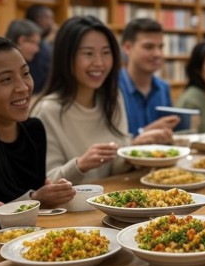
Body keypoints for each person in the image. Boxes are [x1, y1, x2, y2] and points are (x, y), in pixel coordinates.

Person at [31, 16, 172, 185]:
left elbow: (114, 168)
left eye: (106, 53)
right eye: (88, 53)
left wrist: (135, 149)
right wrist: (80, 165)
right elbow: (44, 183)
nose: (99, 63)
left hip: (112, 199)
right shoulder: (48, 110)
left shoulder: (113, 98)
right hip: (72, 208)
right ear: (66, 57)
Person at [0, 36, 75, 232]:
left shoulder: (34, 130)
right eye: (6, 79)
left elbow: (38, 210)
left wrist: (52, 194)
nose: (23, 87)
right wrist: (35, 200)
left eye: (25, 73)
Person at [119, 18, 184, 136]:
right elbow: (107, 140)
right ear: (128, 48)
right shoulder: (112, 87)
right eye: (149, 47)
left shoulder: (163, 88)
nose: (157, 54)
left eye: (160, 47)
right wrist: (144, 133)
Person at [25, 4, 57, 94]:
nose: (52, 23)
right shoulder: (42, 49)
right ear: (38, 19)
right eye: (49, 18)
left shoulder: (46, 44)